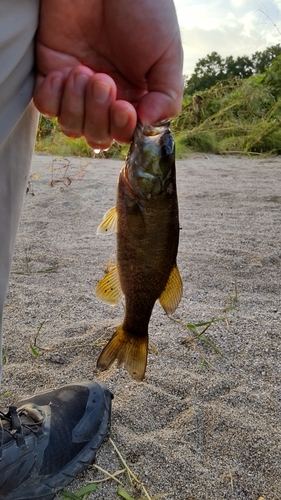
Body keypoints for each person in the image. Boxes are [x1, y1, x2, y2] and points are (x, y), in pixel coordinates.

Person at [0, 1, 183, 498]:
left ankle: (133, 331)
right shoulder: (139, 193)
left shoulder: (135, 193)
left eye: (162, 153)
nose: (158, 143)